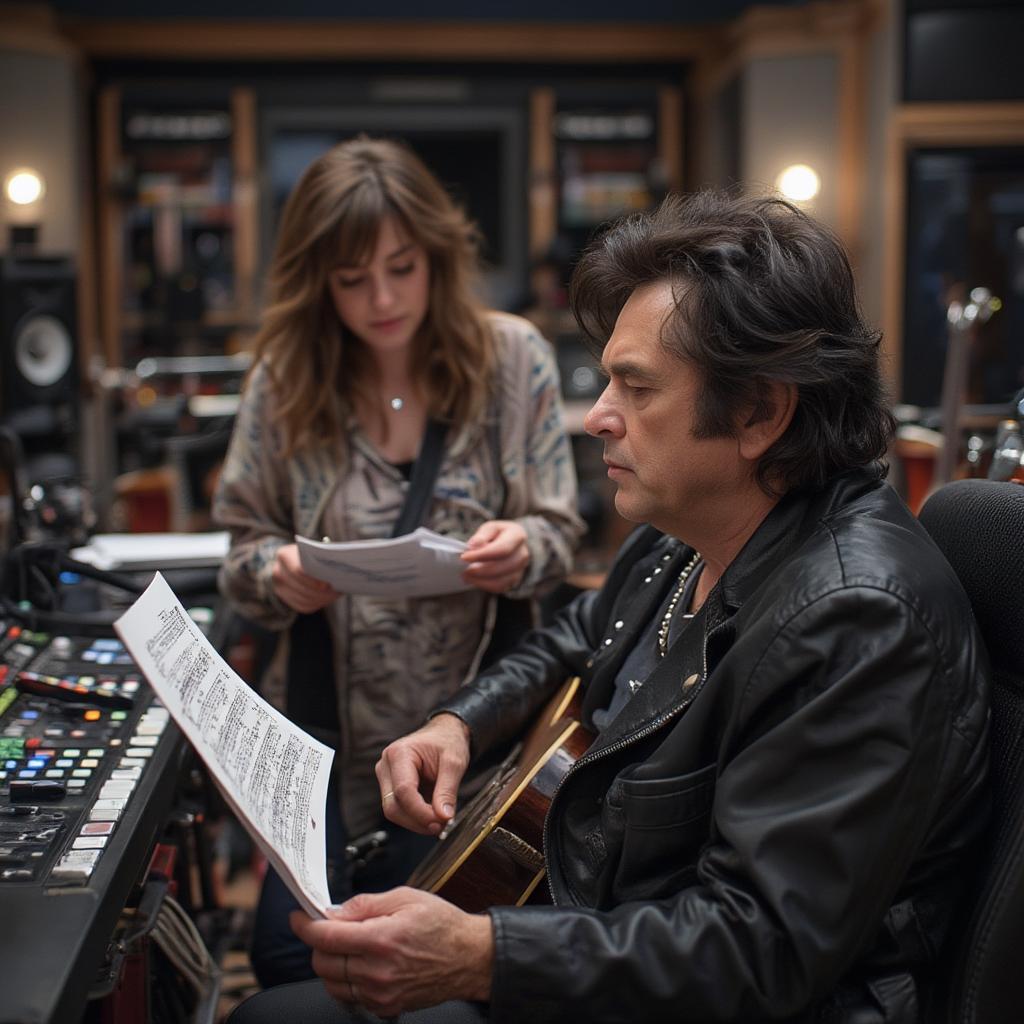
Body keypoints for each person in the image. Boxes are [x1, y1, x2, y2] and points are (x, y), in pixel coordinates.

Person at [229, 190, 990, 1024]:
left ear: (760, 412)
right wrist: (459, 721)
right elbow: (574, 637)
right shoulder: (693, 531)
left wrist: (485, 956)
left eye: (635, 389)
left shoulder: (856, 618)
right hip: (595, 942)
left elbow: (760, 948)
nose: (597, 419)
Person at [212, 137, 584, 989]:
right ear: (317, 282)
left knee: (431, 960)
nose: (381, 299)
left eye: (402, 268)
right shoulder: (285, 377)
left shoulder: (511, 358)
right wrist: (274, 573)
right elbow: (238, 546)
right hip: (325, 754)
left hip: (475, 754)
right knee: (288, 958)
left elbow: (563, 535)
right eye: (351, 279)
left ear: (438, 256)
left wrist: (524, 546)